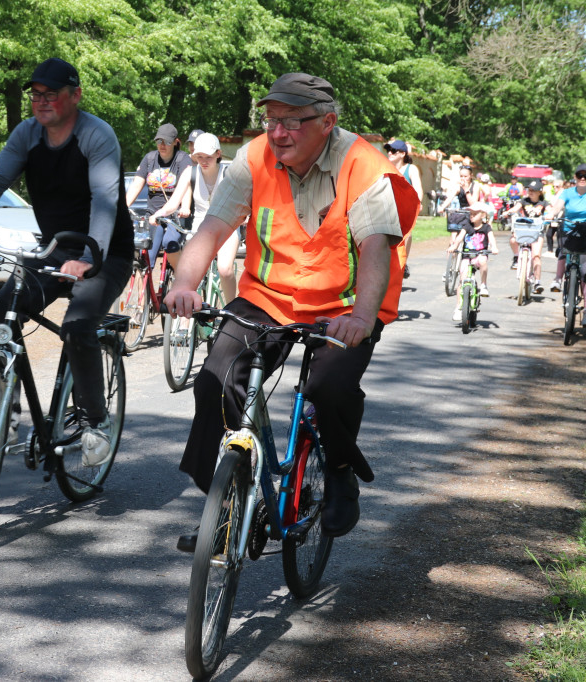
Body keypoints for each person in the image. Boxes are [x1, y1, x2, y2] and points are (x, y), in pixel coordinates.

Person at [164, 73, 419, 550]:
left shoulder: (363, 165)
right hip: (269, 296)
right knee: (216, 379)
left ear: (328, 122)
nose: (277, 132)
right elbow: (213, 227)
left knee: (329, 385)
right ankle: (223, 501)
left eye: (292, 122)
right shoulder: (255, 156)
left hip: (346, 306)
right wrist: (184, 283)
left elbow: (376, 250)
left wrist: (363, 318)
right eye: (271, 120)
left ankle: (340, 470)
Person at [0, 57, 134, 466]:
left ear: (75, 96)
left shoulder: (97, 135)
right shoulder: (28, 134)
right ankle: (3, 415)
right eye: (36, 95)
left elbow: (105, 201)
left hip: (107, 252)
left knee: (77, 325)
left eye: (51, 94)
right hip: (56, 249)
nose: (41, 102)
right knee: (2, 313)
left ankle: (95, 423)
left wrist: (91, 256)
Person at [150, 132, 240, 303]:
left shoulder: (229, 173)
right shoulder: (190, 172)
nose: (204, 161)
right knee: (189, 275)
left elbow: (242, 200)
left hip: (227, 225)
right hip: (200, 227)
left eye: (208, 157)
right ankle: (185, 323)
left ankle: (230, 309)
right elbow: (173, 202)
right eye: (199, 156)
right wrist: (158, 213)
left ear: (218, 154)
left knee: (225, 269)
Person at [124, 123, 193, 269]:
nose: (162, 145)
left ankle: (182, 279)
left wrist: (186, 207)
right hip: (153, 214)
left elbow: (186, 187)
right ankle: (146, 290)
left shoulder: (182, 159)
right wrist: (122, 207)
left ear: (175, 142)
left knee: (170, 243)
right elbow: (136, 185)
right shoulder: (149, 159)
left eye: (167, 141)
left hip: (175, 215)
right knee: (145, 256)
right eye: (159, 141)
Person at [447, 202, 499, 320]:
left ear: (482, 215)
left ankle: (483, 284)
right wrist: (454, 246)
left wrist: (494, 247)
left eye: (475, 214)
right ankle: (459, 308)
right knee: (462, 280)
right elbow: (460, 238)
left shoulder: (486, 227)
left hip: (480, 254)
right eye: (471, 213)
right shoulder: (467, 226)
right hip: (467, 256)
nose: (472, 216)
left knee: (482, 261)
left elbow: (491, 239)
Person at [384, 139, 423, 279]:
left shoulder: (410, 169)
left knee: (407, 235)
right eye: (388, 150)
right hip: (388, 208)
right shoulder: (386, 167)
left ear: (402, 153)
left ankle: (403, 263)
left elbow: (418, 190)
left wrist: (417, 202)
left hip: (405, 208)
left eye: (393, 150)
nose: (390, 153)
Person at [500, 178, 547, 290]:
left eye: (533, 190)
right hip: (523, 230)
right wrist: (507, 212)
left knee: (536, 256)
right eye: (529, 189)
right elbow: (515, 208)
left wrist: (549, 216)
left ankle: (537, 281)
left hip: (536, 232)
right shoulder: (523, 201)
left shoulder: (543, 203)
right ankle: (517, 258)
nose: (530, 192)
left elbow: (550, 211)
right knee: (513, 240)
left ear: (539, 192)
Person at [548, 164, 586, 291]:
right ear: (575, 177)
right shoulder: (567, 193)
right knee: (563, 252)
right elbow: (558, 207)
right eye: (580, 175)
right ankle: (557, 279)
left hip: (585, 231)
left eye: (585, 176)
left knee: (585, 271)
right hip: (568, 229)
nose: (583, 178)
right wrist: (551, 214)